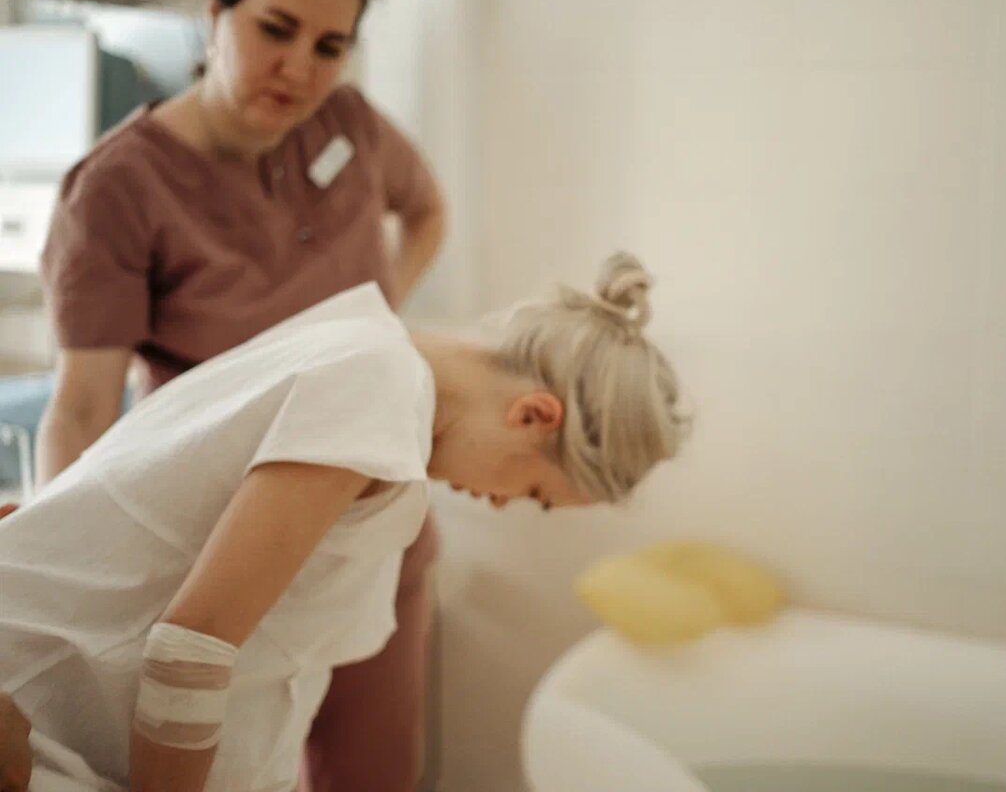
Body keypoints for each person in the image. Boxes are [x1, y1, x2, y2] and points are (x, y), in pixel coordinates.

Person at [0, 255, 689, 791]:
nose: (504, 503)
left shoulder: (363, 341)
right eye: (535, 492)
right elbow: (192, 648)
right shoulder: (377, 390)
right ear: (534, 416)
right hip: (42, 736)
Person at [32, 0, 444, 786]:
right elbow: (81, 408)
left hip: (375, 539)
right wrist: (62, 606)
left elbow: (427, 210)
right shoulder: (120, 188)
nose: (299, 69)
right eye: (275, 30)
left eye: (329, 47)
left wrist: (377, 323)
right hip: (230, 565)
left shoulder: (349, 127)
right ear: (215, 14)